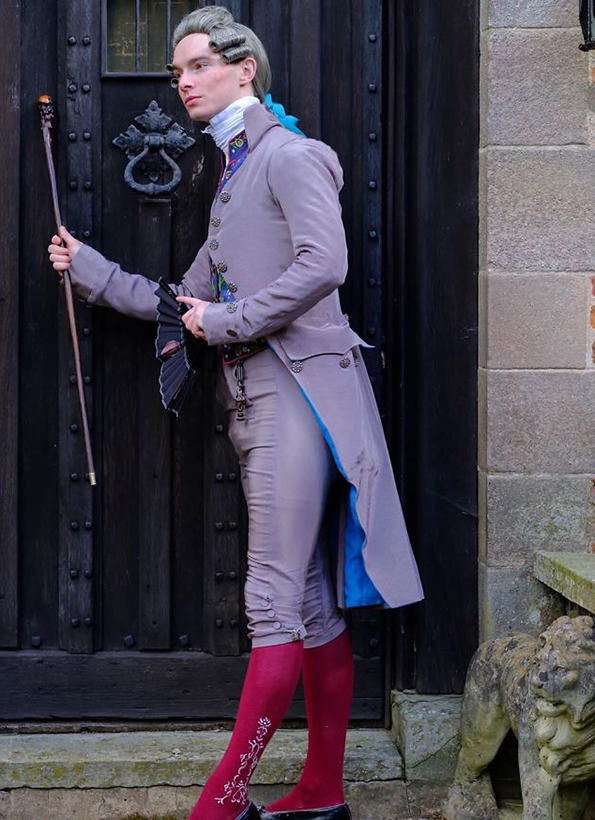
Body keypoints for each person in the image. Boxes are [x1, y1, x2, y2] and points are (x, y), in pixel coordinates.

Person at [47, 7, 424, 820]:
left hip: (295, 393)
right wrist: (90, 270)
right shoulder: (234, 174)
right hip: (253, 398)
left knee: (271, 599)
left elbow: (325, 264)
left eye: (197, 66)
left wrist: (227, 321)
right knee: (307, 602)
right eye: (176, 71)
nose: (182, 82)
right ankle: (321, 792)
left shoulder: (287, 155)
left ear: (243, 68)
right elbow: (182, 299)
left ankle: (220, 804)